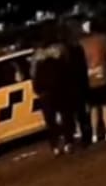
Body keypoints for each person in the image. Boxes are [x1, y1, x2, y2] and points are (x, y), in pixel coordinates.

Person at [30, 21, 77, 156]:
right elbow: (68, 67)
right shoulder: (60, 49)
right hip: (61, 88)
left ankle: (55, 146)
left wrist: (37, 89)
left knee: (50, 121)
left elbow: (33, 74)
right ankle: (69, 142)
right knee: (66, 115)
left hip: (45, 93)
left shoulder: (37, 55)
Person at [79, 19, 106, 142]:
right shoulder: (103, 39)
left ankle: (95, 134)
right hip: (103, 75)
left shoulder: (81, 44)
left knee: (93, 108)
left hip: (89, 79)